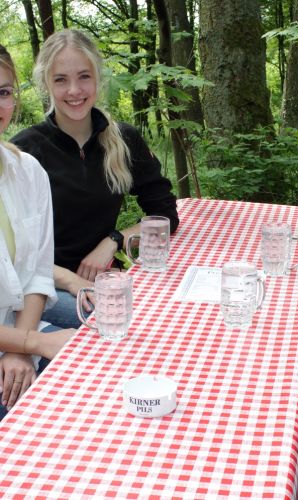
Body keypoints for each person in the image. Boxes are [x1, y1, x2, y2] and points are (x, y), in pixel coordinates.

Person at [11, 29, 179, 329]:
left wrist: (113, 241)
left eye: (84, 76)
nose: (74, 90)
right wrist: (71, 280)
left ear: (98, 78)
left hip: (105, 282)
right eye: (61, 79)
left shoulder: (124, 139)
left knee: (170, 309)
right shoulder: (26, 150)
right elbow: (14, 255)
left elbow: (165, 217)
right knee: (118, 321)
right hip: (42, 288)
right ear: (46, 84)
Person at [0, 44, 74, 416]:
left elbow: (37, 274)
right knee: (24, 409)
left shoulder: (27, 171)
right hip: (17, 332)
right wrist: (31, 342)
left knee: (98, 358)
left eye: (3, 92)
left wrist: (20, 348)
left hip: (15, 324)